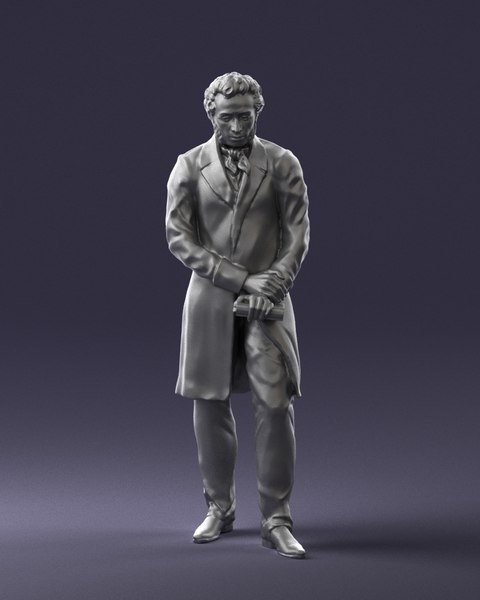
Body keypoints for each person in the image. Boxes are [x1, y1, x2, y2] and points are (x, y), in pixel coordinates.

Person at [165, 72, 310, 558]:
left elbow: (297, 234)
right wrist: (241, 278)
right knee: (209, 403)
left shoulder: (283, 163)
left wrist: (275, 282)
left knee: (276, 403)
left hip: (269, 302)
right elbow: (179, 238)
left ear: (257, 112)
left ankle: (277, 518)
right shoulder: (188, 166)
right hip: (210, 301)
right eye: (226, 117)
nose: (235, 126)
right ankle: (219, 508)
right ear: (211, 114)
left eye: (245, 117)